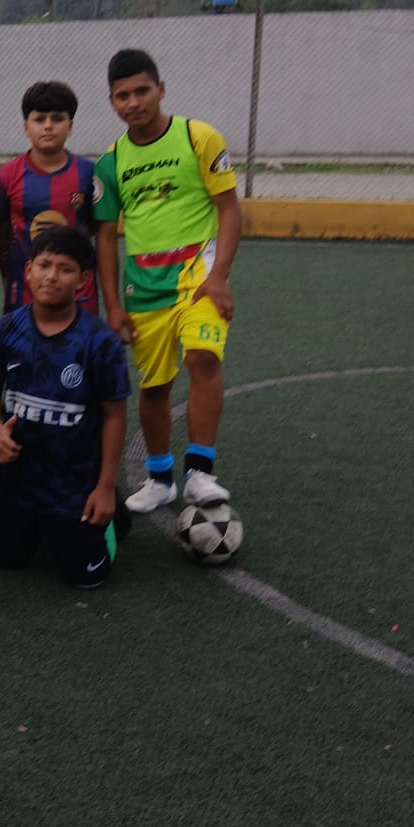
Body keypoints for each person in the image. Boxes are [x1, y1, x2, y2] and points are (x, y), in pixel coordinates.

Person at [93, 48, 241, 514]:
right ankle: (160, 479)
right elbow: (104, 237)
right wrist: (113, 306)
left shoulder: (199, 137)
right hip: (143, 286)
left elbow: (229, 210)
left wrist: (219, 276)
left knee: (202, 358)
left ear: (161, 90)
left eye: (142, 91)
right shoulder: (110, 162)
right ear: (112, 102)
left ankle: (200, 473)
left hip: (198, 275)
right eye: (122, 96)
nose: (133, 102)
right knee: (154, 386)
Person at [0, 226, 130, 587]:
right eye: (44, 265)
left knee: (86, 580)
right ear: (28, 269)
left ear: (83, 281)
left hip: (73, 483)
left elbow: (114, 415)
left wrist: (105, 486)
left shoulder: (100, 341)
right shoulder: (6, 330)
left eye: (65, 269)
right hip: (17, 480)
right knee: (7, 560)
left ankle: (112, 512)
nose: (51, 276)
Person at [0, 80, 97, 313]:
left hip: (79, 300)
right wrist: (10, 281)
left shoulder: (89, 174)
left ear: (70, 126)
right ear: (26, 127)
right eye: (40, 119)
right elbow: (2, 239)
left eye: (57, 119)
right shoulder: (7, 176)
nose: (48, 126)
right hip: (24, 297)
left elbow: (93, 228)